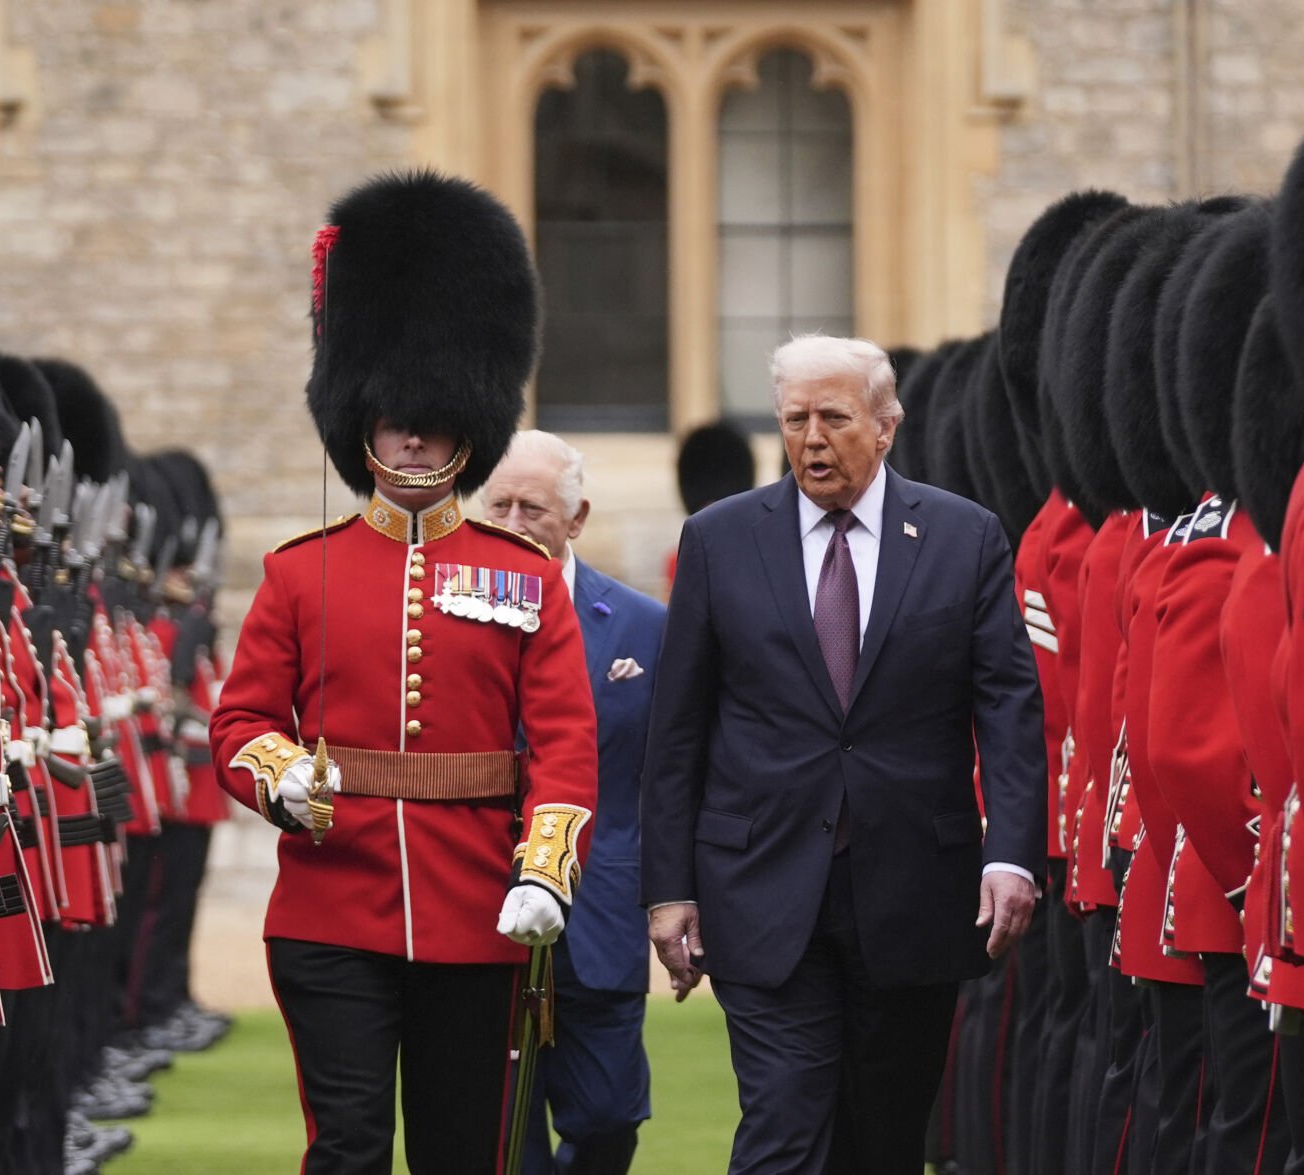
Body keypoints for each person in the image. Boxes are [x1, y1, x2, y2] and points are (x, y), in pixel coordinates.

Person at [209, 172, 599, 1175]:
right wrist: (279, 776)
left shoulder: (522, 576)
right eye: (391, 417)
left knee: (462, 1152)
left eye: (430, 415)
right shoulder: (299, 572)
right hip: (331, 903)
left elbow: (563, 740)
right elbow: (241, 719)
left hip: (477, 905)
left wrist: (543, 867)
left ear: (469, 423)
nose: (412, 434)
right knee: (346, 1148)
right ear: (361, 424)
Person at [640, 333, 1046, 1173]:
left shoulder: (963, 536)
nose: (811, 439)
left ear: (886, 425)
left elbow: (1008, 709)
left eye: (833, 417)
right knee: (784, 1127)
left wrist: (1010, 854)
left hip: (911, 889)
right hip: (759, 885)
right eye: (794, 420)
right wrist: (668, 889)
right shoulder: (719, 540)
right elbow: (677, 730)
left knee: (882, 1140)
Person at [484, 430, 666, 1175]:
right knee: (501, 1133)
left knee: (609, 1116)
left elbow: (670, 777)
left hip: (601, 910)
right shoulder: (445, 621)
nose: (513, 522)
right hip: (479, 907)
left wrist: (678, 896)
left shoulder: (643, 626)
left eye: (532, 508)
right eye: (499, 505)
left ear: (577, 517)